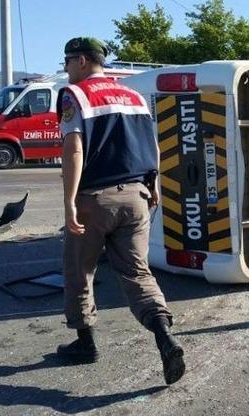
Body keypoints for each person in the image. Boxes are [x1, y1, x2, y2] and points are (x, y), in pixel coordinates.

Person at [57, 37, 185, 385]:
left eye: (67, 61)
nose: (66, 69)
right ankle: (164, 338)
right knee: (138, 273)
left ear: (82, 61)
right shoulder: (134, 96)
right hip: (137, 196)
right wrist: (154, 183)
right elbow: (152, 144)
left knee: (79, 271)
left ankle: (86, 344)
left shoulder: (75, 95)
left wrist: (69, 201)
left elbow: (74, 149)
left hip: (94, 200)